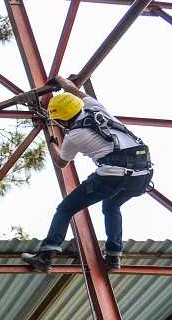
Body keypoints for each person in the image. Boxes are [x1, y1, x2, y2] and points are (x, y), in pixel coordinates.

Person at [21, 75, 154, 273]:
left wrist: (51, 144)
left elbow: (61, 162)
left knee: (65, 209)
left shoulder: (74, 136)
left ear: (62, 119)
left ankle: (45, 256)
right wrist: (61, 80)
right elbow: (72, 88)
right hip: (142, 174)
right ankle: (114, 256)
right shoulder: (95, 107)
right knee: (111, 206)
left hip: (111, 176)